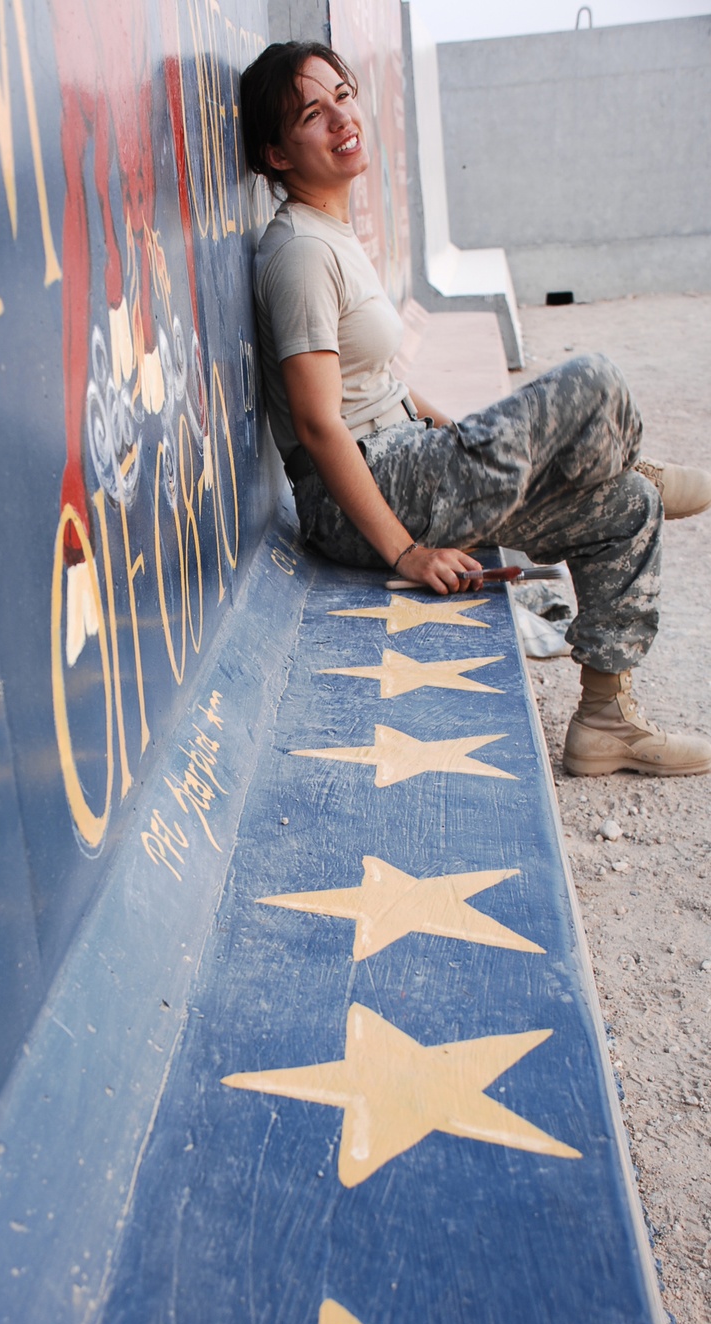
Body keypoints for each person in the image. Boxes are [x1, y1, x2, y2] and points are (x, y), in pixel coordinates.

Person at [239, 41, 711, 777]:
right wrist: (405, 551)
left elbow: (384, 383)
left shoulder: (330, 234)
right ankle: (632, 450)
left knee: (629, 506)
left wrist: (459, 432)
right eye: (312, 112)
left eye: (343, 94)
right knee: (595, 378)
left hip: (407, 458)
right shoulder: (300, 252)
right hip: (366, 487)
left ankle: (604, 723)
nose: (341, 117)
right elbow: (318, 423)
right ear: (275, 152)